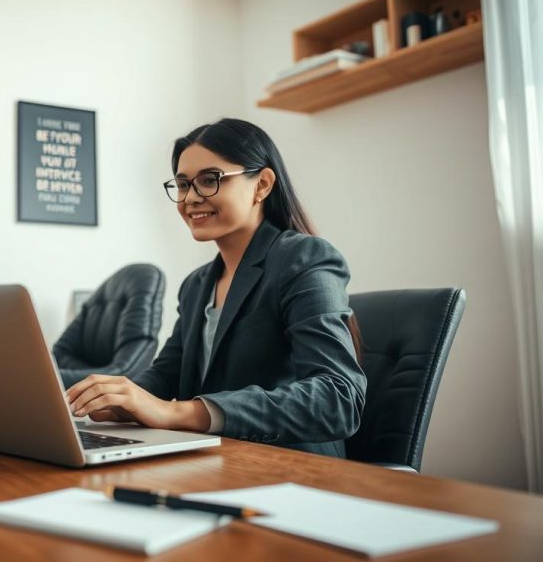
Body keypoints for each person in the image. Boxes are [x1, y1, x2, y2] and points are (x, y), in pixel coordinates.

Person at [65, 118, 366, 457]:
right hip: (217, 458)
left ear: (262, 185)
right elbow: (166, 376)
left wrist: (176, 412)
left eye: (210, 180)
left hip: (292, 467)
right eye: (182, 185)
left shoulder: (304, 258)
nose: (190, 198)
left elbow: (338, 398)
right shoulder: (196, 284)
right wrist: (119, 401)